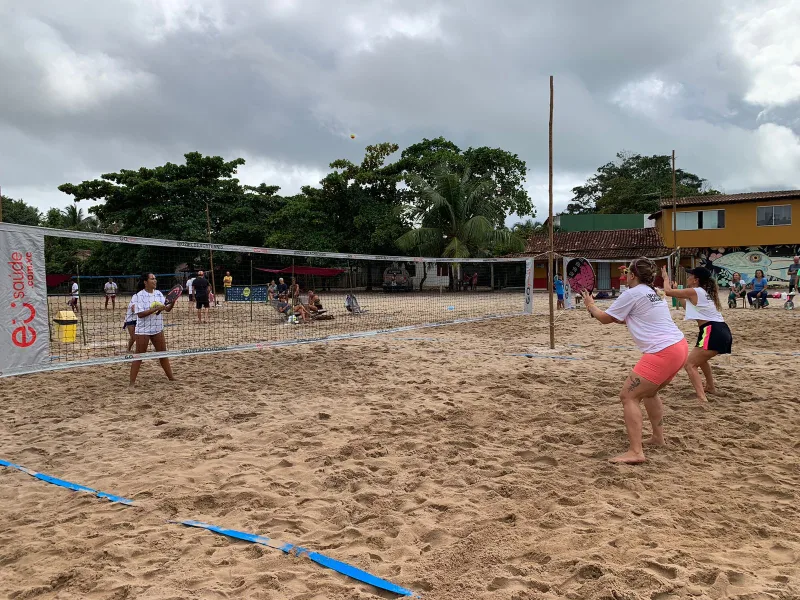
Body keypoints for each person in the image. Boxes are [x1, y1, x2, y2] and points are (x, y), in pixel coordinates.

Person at [581, 257, 688, 464]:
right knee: (649, 393)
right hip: (679, 347)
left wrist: (590, 305)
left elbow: (605, 319)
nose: (625, 275)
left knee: (628, 396)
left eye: (627, 272)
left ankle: (636, 452)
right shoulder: (652, 292)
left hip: (663, 351)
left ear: (632, 275)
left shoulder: (633, 293)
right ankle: (658, 438)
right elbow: (626, 317)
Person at [662, 266, 732, 403]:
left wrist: (665, 277)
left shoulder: (696, 291)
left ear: (696, 280)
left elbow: (667, 292)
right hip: (720, 330)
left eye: (690, 276)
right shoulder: (703, 292)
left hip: (712, 330)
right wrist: (677, 293)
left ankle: (702, 398)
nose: (688, 278)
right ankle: (710, 387)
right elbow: (688, 308)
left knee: (689, 365)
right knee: (701, 360)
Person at [129, 273, 175, 386]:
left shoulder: (158, 293)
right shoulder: (139, 296)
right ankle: (131, 383)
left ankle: (171, 378)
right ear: (145, 282)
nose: (155, 280)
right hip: (143, 330)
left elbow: (167, 309)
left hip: (157, 328)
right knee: (139, 356)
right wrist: (155, 309)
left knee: (163, 354)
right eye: (152, 279)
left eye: (155, 278)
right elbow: (140, 314)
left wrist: (172, 302)